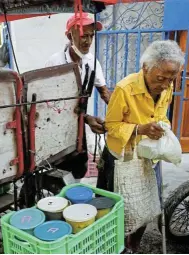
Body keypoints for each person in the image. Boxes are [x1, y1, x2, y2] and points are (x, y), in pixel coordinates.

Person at [96, 40, 185, 253]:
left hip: (148, 155)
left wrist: (162, 127)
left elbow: (162, 114)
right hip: (121, 156)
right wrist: (140, 129)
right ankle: (112, 244)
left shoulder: (167, 86)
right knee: (115, 206)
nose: (164, 85)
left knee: (145, 205)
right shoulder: (125, 88)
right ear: (146, 68)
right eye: (160, 78)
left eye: (171, 79)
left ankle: (133, 246)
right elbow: (111, 125)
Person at [45, 13, 111, 180]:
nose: (88, 41)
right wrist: (87, 118)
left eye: (91, 36)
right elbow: (51, 104)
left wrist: (121, 114)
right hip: (58, 125)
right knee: (60, 168)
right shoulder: (55, 62)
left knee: (78, 168)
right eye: (83, 36)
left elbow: (104, 92)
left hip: (79, 126)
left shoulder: (92, 62)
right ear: (69, 36)